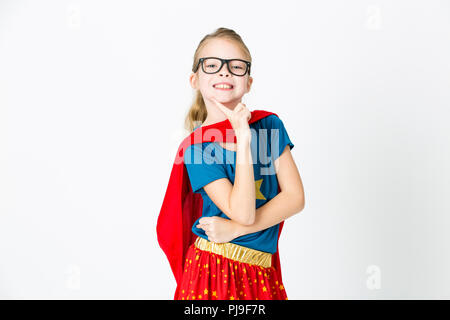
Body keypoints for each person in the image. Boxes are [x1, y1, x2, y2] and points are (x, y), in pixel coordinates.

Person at [157, 27, 305, 300]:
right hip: (213, 271)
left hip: (261, 272)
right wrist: (243, 142)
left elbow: (295, 198)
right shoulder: (197, 148)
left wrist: (236, 230)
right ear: (195, 79)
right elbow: (243, 211)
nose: (224, 72)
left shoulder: (270, 126)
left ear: (248, 82)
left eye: (236, 66)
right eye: (212, 65)